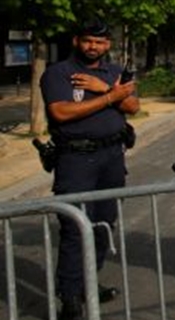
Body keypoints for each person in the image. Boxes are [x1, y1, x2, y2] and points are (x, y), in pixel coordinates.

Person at [40, 19, 139, 320]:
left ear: (107, 44)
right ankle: (69, 297)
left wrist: (105, 88)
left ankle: (87, 285)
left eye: (99, 42)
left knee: (102, 226)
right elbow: (60, 111)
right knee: (75, 227)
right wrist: (111, 98)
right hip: (76, 160)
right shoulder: (59, 73)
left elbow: (133, 105)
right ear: (76, 41)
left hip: (112, 156)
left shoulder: (113, 72)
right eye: (87, 41)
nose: (93, 47)